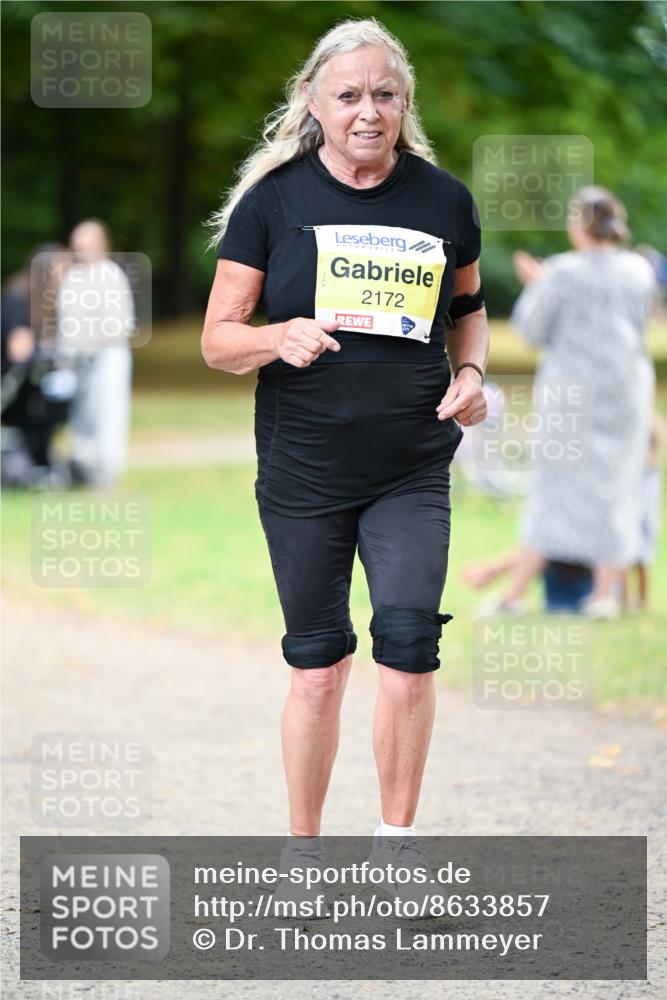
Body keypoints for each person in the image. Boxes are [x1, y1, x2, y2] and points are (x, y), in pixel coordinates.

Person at [202, 17, 488, 912]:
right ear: (313, 104)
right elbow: (216, 341)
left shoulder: (442, 200)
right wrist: (272, 336)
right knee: (319, 664)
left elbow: (468, 308)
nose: (368, 111)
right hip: (304, 471)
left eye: (385, 94)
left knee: (408, 648)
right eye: (349, 95)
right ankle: (304, 854)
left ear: (405, 103)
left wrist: (472, 371)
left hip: (410, 464)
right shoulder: (274, 202)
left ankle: (396, 846)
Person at [489, 187, 657, 620]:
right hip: (626, 390)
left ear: (580, 224)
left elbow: (531, 329)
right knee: (618, 486)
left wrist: (538, 284)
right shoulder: (639, 270)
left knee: (552, 487)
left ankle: (514, 594)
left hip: (572, 392)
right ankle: (604, 594)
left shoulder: (562, 272)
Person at [57, 219, 134, 487]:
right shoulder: (72, 278)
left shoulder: (110, 275)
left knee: (108, 412)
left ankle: (107, 470)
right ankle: (82, 466)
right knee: (81, 415)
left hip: (108, 356)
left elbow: (119, 323)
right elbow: (66, 323)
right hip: (78, 360)